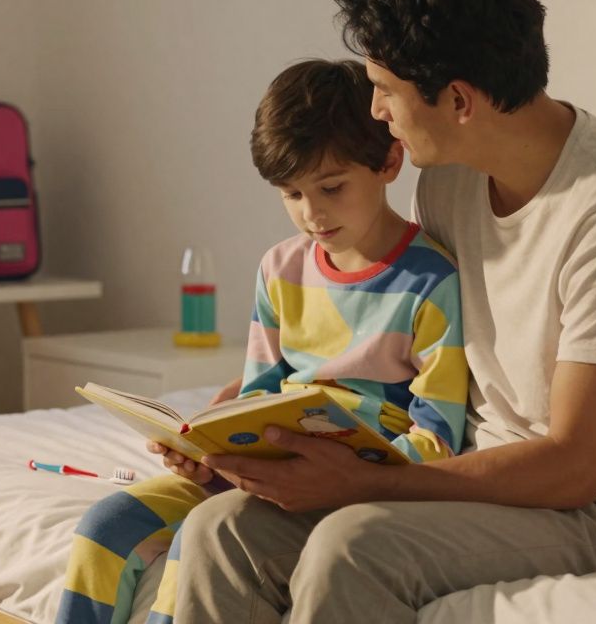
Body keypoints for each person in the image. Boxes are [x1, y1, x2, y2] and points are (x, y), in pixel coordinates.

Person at [176, 0, 596, 623]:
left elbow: (576, 465)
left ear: (458, 100)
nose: (376, 112)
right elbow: (397, 340)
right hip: (473, 473)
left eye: (385, 90)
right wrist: (227, 425)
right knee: (221, 532)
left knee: (354, 545)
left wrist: (369, 483)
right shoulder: (450, 181)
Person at [55, 59, 469, 624]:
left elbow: (439, 435)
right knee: (104, 528)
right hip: (262, 465)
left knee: (197, 548)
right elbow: (260, 394)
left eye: (330, 188)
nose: (312, 214)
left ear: (389, 161)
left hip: (350, 481)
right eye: (291, 194)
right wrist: (208, 452)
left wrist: (362, 471)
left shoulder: (431, 282)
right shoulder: (280, 269)